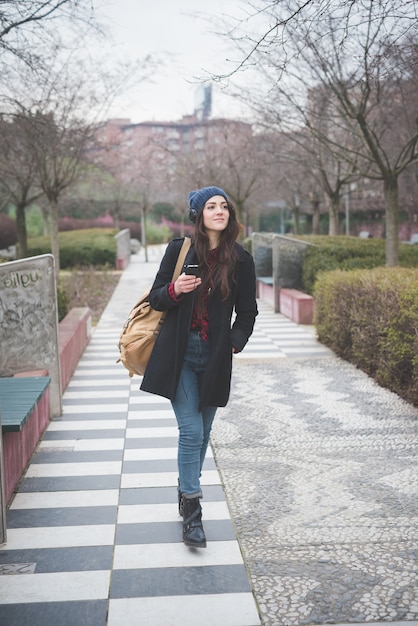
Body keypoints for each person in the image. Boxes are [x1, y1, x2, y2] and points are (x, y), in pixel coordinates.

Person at [140, 186, 258, 548]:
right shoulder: (180, 251)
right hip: (181, 355)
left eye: (224, 206)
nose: (220, 211)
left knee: (203, 434)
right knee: (191, 432)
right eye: (211, 206)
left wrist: (235, 342)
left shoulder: (240, 258)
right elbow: (156, 298)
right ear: (198, 215)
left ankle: (184, 485)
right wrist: (175, 289)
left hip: (217, 356)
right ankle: (192, 510)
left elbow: (248, 311)